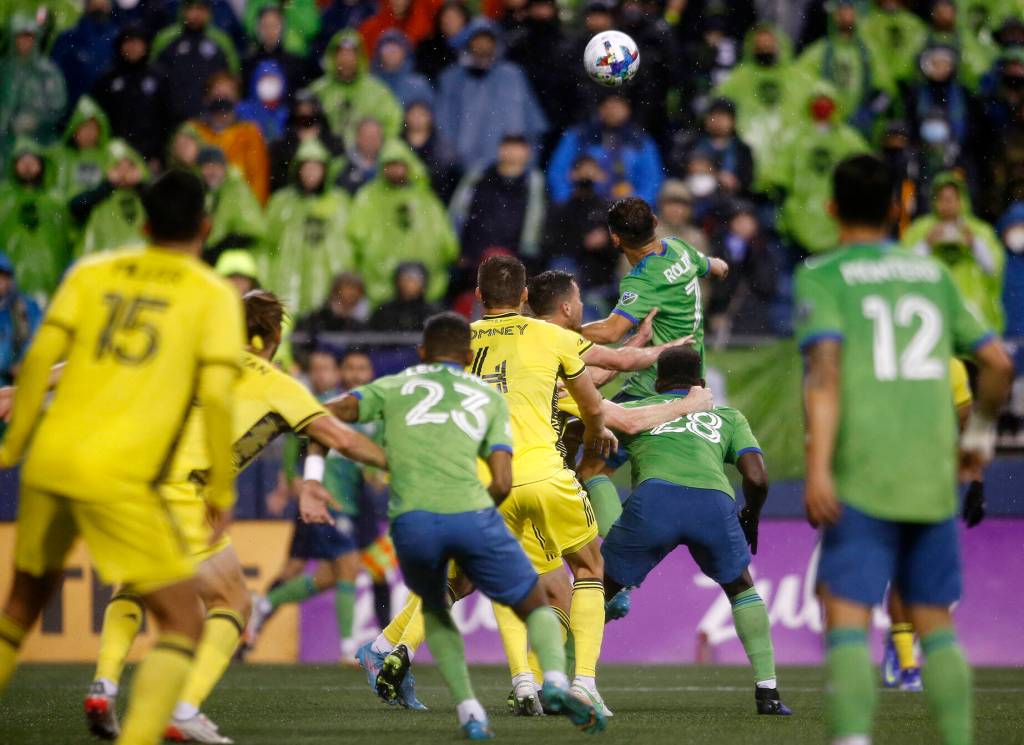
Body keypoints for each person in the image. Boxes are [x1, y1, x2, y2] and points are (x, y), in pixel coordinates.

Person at [0, 170, 245, 745]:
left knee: (21, 605)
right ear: (205, 227)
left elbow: (38, 363)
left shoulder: (92, 273)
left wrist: (12, 448)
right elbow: (213, 398)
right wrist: (223, 491)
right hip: (119, 474)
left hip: (51, 459)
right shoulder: (211, 295)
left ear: (143, 223)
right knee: (185, 618)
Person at [82, 289, 386, 743]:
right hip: (186, 499)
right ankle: (184, 708)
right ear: (274, 337)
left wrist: (20, 388)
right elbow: (339, 436)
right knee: (234, 604)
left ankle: (103, 687)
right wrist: (400, 464)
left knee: (134, 585)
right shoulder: (277, 383)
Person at [796, 153, 1013, 745]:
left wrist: (817, 467)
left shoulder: (822, 274)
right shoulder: (932, 277)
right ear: (898, 208)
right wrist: (975, 439)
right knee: (936, 624)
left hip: (862, 470)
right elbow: (996, 362)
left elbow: (825, 376)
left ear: (832, 207)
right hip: (930, 474)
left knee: (847, 620)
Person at [318, 311, 606, 737]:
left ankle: (391, 652)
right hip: (494, 495)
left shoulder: (399, 385)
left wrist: (316, 473)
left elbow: (325, 421)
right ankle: (553, 683)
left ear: (421, 354)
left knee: (447, 592)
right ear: (468, 355)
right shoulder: (494, 392)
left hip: (413, 513)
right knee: (537, 593)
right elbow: (507, 472)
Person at [600, 346, 792, 717]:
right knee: (740, 587)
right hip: (713, 504)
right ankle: (767, 692)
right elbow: (756, 476)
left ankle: (566, 680)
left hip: (654, 501)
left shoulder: (638, 414)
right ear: (701, 384)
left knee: (597, 590)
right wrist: (750, 513)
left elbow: (593, 465)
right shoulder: (727, 416)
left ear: (657, 383)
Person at [462, 255, 617, 716]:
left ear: (477, 296)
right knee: (588, 569)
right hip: (546, 474)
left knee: (500, 581)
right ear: (525, 296)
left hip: (486, 485)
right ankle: (584, 682)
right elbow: (592, 405)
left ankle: (523, 681)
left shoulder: (459, 342)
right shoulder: (552, 336)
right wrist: (594, 431)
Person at [245, 344, 385, 668]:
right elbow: (296, 441)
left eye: (327, 369)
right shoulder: (323, 406)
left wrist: (375, 473)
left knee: (327, 575)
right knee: (347, 565)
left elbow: (366, 456)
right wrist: (294, 478)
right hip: (327, 496)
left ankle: (264, 604)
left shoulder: (362, 411)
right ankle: (349, 647)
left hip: (347, 500)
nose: (323, 375)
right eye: (317, 369)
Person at [581, 197, 729, 396]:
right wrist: (720, 267)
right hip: (692, 378)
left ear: (615, 238)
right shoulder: (678, 247)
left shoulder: (642, 281)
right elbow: (718, 268)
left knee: (593, 425)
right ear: (655, 222)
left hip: (656, 386)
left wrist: (562, 328)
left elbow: (611, 332)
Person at [346, 141, 459, 308]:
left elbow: (446, 243)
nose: (395, 170)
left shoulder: (425, 199)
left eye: (399, 164)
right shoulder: (368, 198)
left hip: (425, 293)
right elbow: (354, 238)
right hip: (378, 295)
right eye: (390, 165)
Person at [713, 23, 816, 192]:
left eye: (769, 44)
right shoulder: (738, 79)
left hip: (790, 168)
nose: (765, 49)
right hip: (747, 171)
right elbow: (717, 108)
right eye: (760, 45)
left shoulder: (800, 79)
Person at [771, 83, 870, 256]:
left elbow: (866, 170)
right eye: (818, 100)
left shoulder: (848, 138)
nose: (822, 106)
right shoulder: (795, 137)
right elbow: (780, 176)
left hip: (838, 213)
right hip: (801, 212)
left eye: (827, 101)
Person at [435, 18, 547, 170]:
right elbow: (444, 121)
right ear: (468, 43)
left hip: (510, 166)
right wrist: (451, 158)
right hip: (464, 166)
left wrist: (529, 160)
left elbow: (532, 122)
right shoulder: (453, 77)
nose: (483, 46)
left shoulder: (513, 75)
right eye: (477, 40)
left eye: (488, 40)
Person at [902, 171, 1005, 333]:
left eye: (952, 198)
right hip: (932, 311)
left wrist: (974, 244)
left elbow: (993, 269)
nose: (947, 204)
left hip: (973, 311)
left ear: (961, 200)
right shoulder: (920, 229)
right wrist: (927, 244)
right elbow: (905, 269)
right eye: (942, 199)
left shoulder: (979, 230)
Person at [261, 138, 353, 315]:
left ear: (325, 171)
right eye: (307, 167)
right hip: (288, 280)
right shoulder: (281, 202)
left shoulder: (339, 202)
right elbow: (269, 244)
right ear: (298, 169)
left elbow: (348, 245)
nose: (311, 173)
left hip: (329, 281)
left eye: (316, 168)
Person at [794, 0, 896, 130]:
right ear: (833, 16)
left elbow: (886, 91)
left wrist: (871, 111)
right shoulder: (819, 51)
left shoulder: (869, 52)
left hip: (864, 127)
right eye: (840, 11)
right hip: (829, 126)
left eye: (849, 11)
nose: (844, 15)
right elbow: (799, 82)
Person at [548, 92, 663, 206]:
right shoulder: (579, 136)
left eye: (618, 105)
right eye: (608, 105)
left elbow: (652, 181)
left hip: (625, 209)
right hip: (583, 206)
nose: (612, 110)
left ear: (628, 109)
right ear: (599, 109)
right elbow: (558, 173)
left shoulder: (640, 141)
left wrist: (636, 205)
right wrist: (569, 201)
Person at [450, 134, 546, 268]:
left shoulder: (534, 183)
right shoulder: (479, 175)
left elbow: (536, 223)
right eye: (508, 147)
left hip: (516, 260)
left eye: (517, 147)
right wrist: (459, 250)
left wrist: (527, 257)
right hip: (474, 257)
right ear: (499, 150)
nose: (512, 152)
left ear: (527, 153)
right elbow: (458, 212)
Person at [90, 23, 173, 165]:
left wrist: (158, 154)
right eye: (128, 42)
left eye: (137, 42)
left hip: (149, 154)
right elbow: (98, 117)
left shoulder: (159, 77)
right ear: (120, 46)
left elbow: (167, 118)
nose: (133, 47)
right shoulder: (107, 78)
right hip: (112, 152)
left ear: (146, 46)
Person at [0, 139, 71, 300]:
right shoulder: (2, 199)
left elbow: (69, 239)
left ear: (42, 164)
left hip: (51, 281)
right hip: (8, 284)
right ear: (13, 165)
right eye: (22, 161)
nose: (27, 166)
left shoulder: (57, 202)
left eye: (32, 160)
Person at [539, 155, 617, 297]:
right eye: (582, 171)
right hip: (572, 272)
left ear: (601, 176)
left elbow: (619, 249)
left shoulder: (610, 210)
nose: (587, 176)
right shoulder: (561, 209)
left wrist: (606, 241)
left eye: (591, 171)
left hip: (601, 275)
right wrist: (583, 242)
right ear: (571, 175)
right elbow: (549, 244)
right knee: (562, 269)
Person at [151, 0, 239, 125]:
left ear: (208, 12)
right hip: (172, 119)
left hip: (212, 119)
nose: (195, 14)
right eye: (191, 8)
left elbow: (233, 78)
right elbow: (153, 75)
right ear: (183, 11)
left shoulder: (222, 40)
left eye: (200, 9)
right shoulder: (165, 39)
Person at [310, 30, 403, 145]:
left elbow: (393, 122)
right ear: (333, 57)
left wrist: (377, 145)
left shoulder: (377, 91)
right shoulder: (318, 90)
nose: (346, 59)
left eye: (351, 54)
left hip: (367, 156)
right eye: (342, 54)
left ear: (359, 57)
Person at [192, 72, 270, 204]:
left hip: (239, 207)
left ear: (236, 100)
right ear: (206, 99)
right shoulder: (194, 131)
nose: (222, 102)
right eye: (217, 96)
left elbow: (258, 182)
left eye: (227, 97)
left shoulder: (249, 133)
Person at [0, 14, 68, 163]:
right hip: (4, 142)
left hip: (39, 140)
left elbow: (58, 105)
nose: (24, 42)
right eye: (20, 37)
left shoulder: (48, 72)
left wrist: (36, 119)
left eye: (29, 37)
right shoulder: (4, 69)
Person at [70, 139, 147, 257]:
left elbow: (164, 207)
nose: (124, 172)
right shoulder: (98, 191)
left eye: (130, 166)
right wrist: (108, 184)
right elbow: (75, 207)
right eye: (118, 166)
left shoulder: (144, 193)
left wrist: (140, 184)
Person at [668, 97, 754, 200]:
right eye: (713, 115)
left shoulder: (742, 149)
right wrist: (690, 167)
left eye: (723, 116)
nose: (717, 120)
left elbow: (746, 180)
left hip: (730, 202)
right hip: (693, 199)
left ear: (733, 121)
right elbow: (676, 165)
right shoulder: (691, 142)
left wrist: (718, 175)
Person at [197, 146, 266, 264]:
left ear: (224, 168)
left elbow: (252, 231)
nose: (212, 171)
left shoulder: (237, 190)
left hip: (236, 262)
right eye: (207, 166)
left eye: (216, 166)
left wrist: (220, 248)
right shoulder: (204, 193)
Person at [267, 90, 344, 193]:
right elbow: (278, 182)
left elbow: (339, 176)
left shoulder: (334, 143)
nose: (306, 121)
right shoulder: (280, 147)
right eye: (301, 117)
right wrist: (297, 144)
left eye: (311, 117)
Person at [291, 272, 369, 367]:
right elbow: (299, 349)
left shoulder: (361, 324)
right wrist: (312, 362)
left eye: (356, 290)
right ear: (335, 291)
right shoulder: (313, 319)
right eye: (348, 288)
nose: (352, 294)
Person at [49, 0, 117, 108]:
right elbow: (54, 74)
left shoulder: (117, 39)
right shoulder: (67, 37)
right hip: (68, 106)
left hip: (102, 109)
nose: (99, 4)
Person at [241, 5, 314, 101]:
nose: (270, 31)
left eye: (274, 25)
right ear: (257, 28)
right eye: (265, 26)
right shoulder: (248, 63)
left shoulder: (296, 63)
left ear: (283, 28)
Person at [402, 100, 462, 203]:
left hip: (434, 201)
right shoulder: (397, 144)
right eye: (413, 114)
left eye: (421, 114)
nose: (417, 119)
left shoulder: (443, 149)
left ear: (430, 117)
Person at [859, 0, 928, 86]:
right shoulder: (868, 23)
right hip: (878, 83)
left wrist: (903, 74)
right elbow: (872, 52)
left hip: (908, 81)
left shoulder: (914, 23)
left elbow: (914, 50)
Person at [0, 253, 40, 386]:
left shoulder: (25, 307)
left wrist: (22, 364)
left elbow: (38, 339)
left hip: (16, 385)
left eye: (2, 276)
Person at [369, 262, 443, 332]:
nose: (409, 284)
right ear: (397, 282)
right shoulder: (384, 312)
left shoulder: (434, 313)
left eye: (414, 280)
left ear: (424, 283)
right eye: (405, 279)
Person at [372, 29, 434, 109]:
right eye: (387, 49)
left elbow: (429, 114)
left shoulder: (419, 84)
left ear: (404, 52)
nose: (391, 53)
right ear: (379, 53)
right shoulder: (372, 84)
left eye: (395, 49)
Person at [236, 60, 290, 143]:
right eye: (264, 80)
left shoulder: (287, 112)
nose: (268, 85)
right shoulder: (242, 110)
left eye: (272, 80)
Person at [414, 0, 468, 81]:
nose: (450, 21)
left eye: (455, 17)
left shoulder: (472, 44)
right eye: (447, 17)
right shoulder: (428, 48)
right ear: (440, 21)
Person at [333, 117, 385, 195]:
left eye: (376, 136)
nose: (372, 140)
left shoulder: (389, 164)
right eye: (368, 136)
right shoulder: (341, 165)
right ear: (357, 137)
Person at [654, 180, 708, 254]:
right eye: (670, 204)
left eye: (681, 205)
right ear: (661, 206)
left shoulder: (697, 238)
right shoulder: (649, 236)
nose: (675, 210)